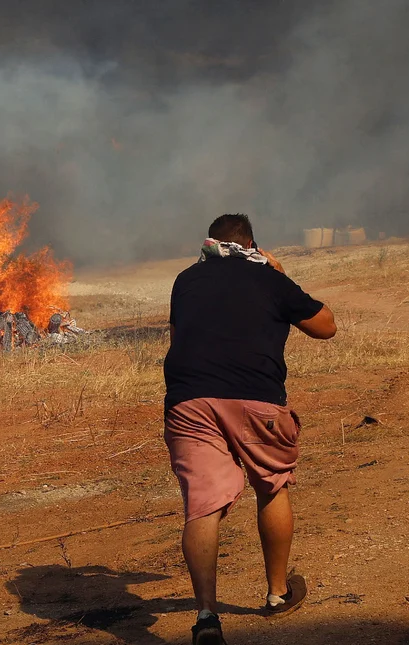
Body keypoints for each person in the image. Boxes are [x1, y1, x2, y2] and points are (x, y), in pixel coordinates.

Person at [163, 214, 336, 645]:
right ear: (253, 245)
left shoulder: (185, 281)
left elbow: (178, 332)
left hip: (189, 401)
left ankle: (206, 616)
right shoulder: (270, 279)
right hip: (256, 397)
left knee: (202, 506)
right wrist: (281, 274)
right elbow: (326, 327)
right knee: (272, 485)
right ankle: (278, 594)